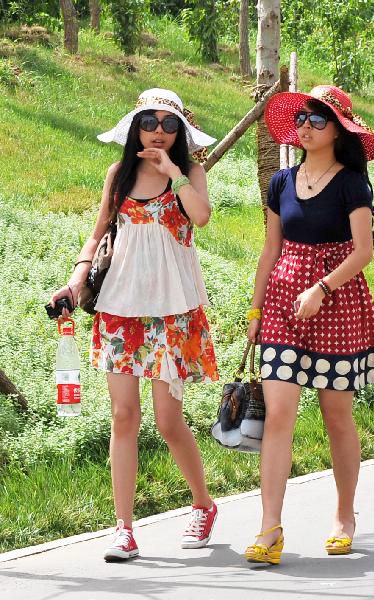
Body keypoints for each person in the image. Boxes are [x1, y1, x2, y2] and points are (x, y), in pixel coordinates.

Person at [49, 88, 219, 562]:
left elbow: (201, 218)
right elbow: (98, 231)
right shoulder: (119, 175)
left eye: (169, 124)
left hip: (174, 310)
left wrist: (173, 173)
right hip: (121, 307)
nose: (159, 132)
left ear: (180, 131)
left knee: (168, 420)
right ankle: (123, 528)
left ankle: (203, 504)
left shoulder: (191, 173)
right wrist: (74, 281)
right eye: (151, 122)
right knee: (123, 416)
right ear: (136, 128)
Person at [244, 84, 374, 565]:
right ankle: (270, 529)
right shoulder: (280, 183)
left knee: (335, 416)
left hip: (337, 302)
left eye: (317, 119)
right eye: (302, 118)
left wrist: (322, 288)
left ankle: (344, 516)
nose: (305, 126)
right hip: (284, 306)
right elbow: (271, 250)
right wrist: (255, 311)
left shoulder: (353, 183)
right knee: (279, 415)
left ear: (339, 131)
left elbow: (363, 251)